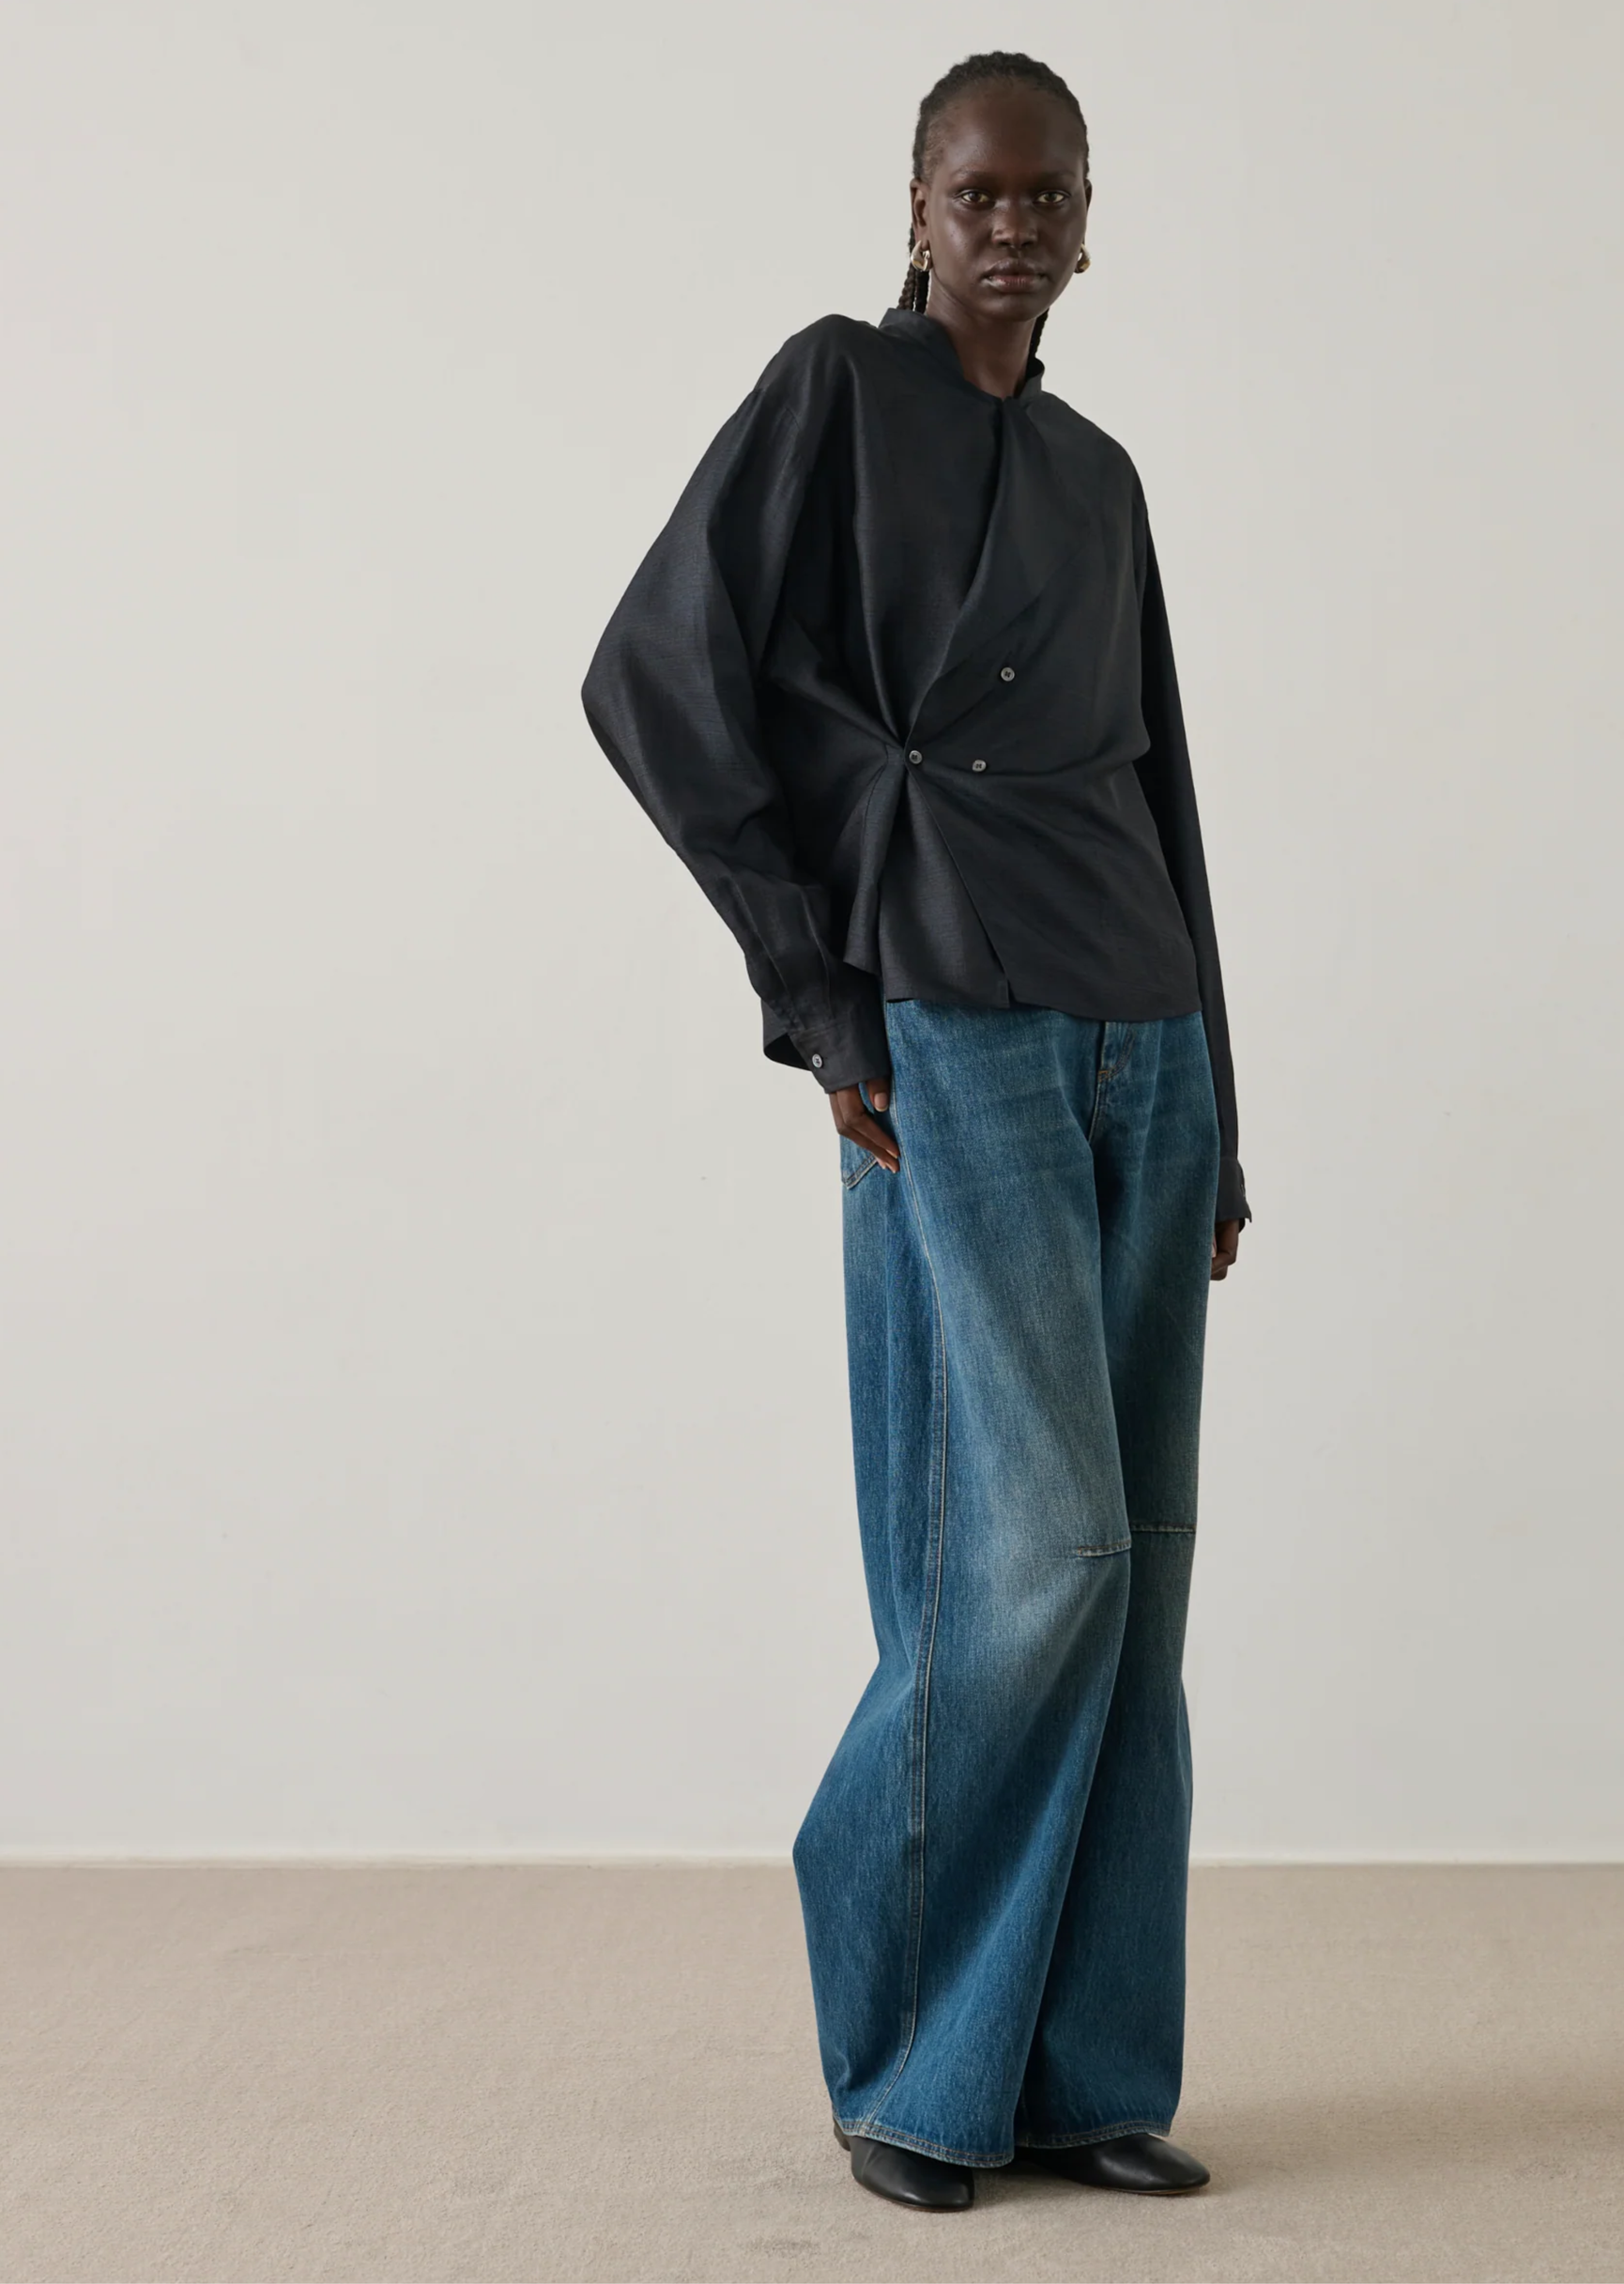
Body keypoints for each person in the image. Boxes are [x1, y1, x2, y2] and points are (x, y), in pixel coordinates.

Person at [580, 50, 1249, 2214]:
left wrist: (1222, 1101)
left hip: (1141, 1028)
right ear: (916, 204)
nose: (1013, 224)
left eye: (1048, 194)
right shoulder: (832, 393)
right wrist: (814, 990)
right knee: (1024, 1557)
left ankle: (1079, 2075)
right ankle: (913, 2062)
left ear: (1088, 219)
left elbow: (1160, 788)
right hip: (946, 1025)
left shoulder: (1098, 475)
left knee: (1134, 1581)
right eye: (979, 191)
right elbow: (653, 673)